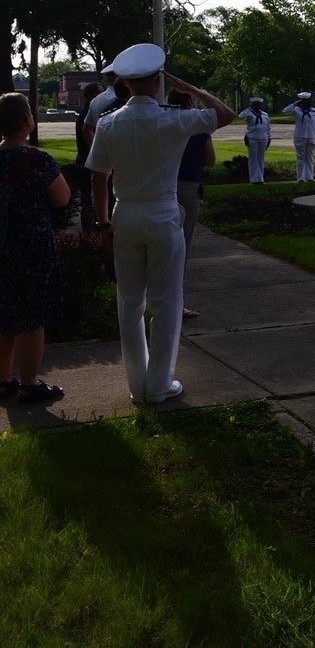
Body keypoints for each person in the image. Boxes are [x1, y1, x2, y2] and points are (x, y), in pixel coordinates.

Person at [86, 44, 234, 404]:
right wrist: (191, 89)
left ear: (123, 82)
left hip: (125, 213)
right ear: (158, 82)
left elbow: (98, 177)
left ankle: (137, 385)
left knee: (130, 301)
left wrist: (102, 222)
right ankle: (159, 383)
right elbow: (225, 114)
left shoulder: (108, 123)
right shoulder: (173, 119)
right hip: (163, 212)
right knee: (167, 301)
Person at [0, 92, 71, 403]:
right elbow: (62, 198)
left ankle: (3, 380)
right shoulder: (38, 161)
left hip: (1, 247)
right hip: (32, 246)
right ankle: (29, 384)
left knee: (3, 314)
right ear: (27, 121)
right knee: (32, 318)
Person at [168, 90, 216, 320]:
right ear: (190, 100)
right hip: (188, 185)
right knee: (182, 247)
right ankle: (177, 303)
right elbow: (210, 159)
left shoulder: (163, 121)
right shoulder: (198, 124)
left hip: (164, 185)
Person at [75, 80, 103, 232]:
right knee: (90, 200)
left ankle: (89, 234)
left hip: (82, 162)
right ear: (94, 96)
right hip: (89, 163)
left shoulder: (83, 114)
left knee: (87, 200)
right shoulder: (89, 116)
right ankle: (91, 233)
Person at [281, 92, 315, 181]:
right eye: (303, 101)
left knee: (309, 157)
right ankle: (301, 178)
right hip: (300, 137)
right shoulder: (296, 110)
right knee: (301, 157)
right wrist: (295, 104)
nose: (305, 102)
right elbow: (285, 111)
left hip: (311, 136)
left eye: (306, 101)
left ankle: (309, 177)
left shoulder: (314, 111)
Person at [237, 96, 272, 183]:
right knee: (253, 159)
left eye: (258, 104)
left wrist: (269, 138)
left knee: (260, 159)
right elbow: (240, 116)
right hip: (252, 138)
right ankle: (253, 179)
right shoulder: (249, 114)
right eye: (255, 104)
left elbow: (268, 127)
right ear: (252, 105)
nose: (257, 106)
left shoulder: (264, 115)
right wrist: (249, 109)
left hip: (263, 138)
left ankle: (260, 178)